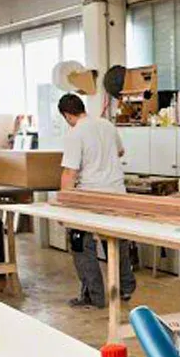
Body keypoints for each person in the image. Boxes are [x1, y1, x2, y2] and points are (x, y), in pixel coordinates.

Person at [58, 93, 136, 308]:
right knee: (116, 241)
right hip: (117, 193)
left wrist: (63, 205)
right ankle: (125, 288)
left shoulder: (75, 133)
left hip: (91, 196)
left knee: (80, 243)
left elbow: (70, 172)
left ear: (67, 115)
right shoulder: (106, 125)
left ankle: (95, 296)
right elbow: (120, 151)